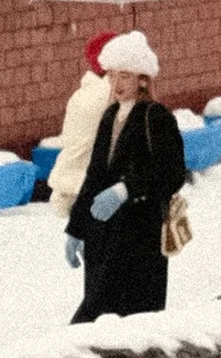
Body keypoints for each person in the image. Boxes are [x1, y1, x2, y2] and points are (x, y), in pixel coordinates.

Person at [66, 32, 188, 323]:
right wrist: (77, 227)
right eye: (111, 76)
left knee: (132, 318)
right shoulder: (109, 116)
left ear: (142, 79)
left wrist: (125, 190)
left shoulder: (155, 116)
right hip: (102, 235)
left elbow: (171, 173)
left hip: (139, 236)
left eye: (124, 76)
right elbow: (94, 174)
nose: (116, 84)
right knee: (97, 315)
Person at [48, 33, 119, 272]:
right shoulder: (106, 96)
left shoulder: (82, 95)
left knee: (102, 280)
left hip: (80, 192)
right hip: (102, 196)